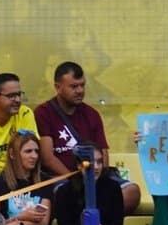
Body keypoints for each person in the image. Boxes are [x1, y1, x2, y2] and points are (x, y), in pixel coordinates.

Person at [36, 61, 139, 214]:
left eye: (82, 85)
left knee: (131, 192)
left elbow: (103, 152)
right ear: (58, 87)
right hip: (64, 179)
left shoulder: (92, 114)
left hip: (94, 176)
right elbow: (47, 158)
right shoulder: (43, 113)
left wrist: (97, 178)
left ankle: (97, 223)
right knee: (64, 196)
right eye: (74, 86)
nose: (80, 91)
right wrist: (75, 179)